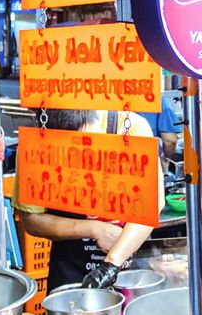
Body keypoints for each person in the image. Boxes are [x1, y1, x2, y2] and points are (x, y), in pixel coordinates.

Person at [15, 109, 161, 291]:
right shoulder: (36, 143)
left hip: (127, 263)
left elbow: (152, 205)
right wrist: (95, 229)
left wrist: (110, 264)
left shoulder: (131, 128)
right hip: (69, 266)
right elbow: (31, 221)